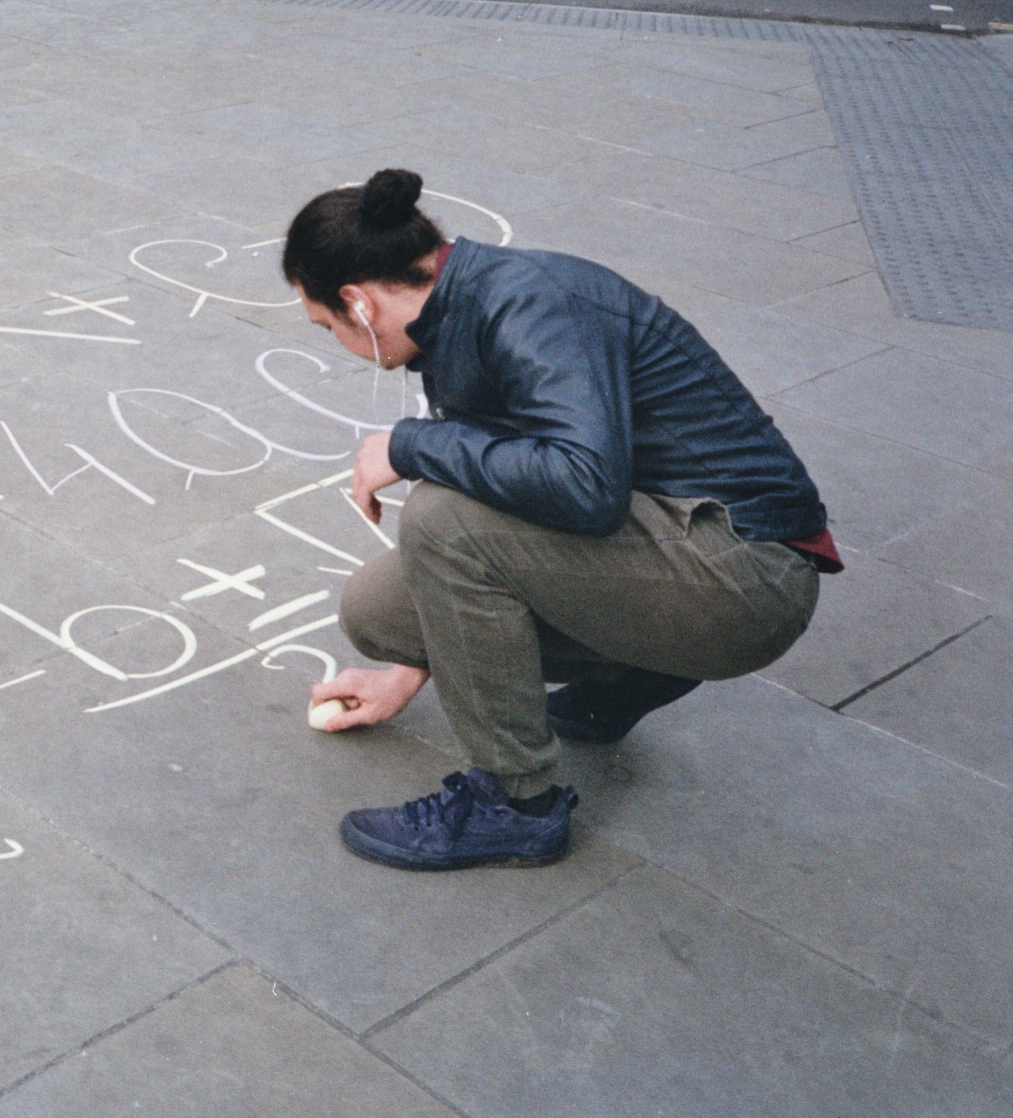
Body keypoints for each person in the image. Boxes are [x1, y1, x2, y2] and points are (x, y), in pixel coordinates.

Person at [284, 169, 840, 872]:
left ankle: (515, 807)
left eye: (326, 325)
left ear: (357, 302)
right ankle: (631, 672)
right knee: (379, 611)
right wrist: (409, 672)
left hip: (749, 573)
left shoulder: (533, 304)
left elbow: (585, 487)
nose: (335, 343)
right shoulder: (458, 309)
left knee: (442, 519)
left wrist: (411, 445)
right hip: (671, 542)